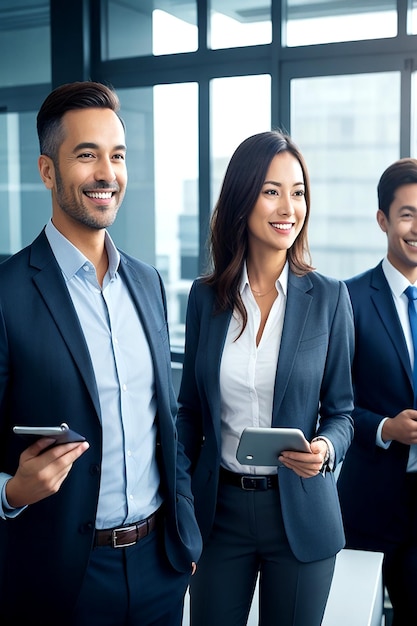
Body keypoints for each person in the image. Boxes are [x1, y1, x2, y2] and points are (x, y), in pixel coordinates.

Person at [0, 80, 202, 626]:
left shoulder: (149, 283)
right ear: (48, 171)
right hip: (63, 580)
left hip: (161, 566)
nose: (106, 173)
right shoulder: (7, 293)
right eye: (86, 155)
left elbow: (167, 423)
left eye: (117, 156)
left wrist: (185, 536)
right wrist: (11, 491)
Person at [176, 130, 354, 626]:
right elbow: (189, 411)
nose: (288, 207)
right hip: (220, 514)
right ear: (242, 198)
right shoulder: (204, 299)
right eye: (272, 190)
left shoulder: (330, 298)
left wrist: (324, 450)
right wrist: (182, 500)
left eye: (297, 192)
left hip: (301, 512)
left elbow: (342, 412)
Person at [337, 157, 417, 626]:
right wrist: (385, 427)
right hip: (368, 505)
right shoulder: (348, 299)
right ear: (383, 220)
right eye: (406, 214)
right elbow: (335, 405)